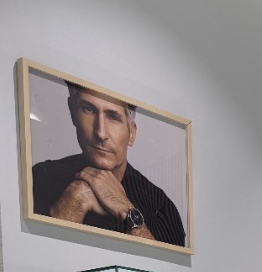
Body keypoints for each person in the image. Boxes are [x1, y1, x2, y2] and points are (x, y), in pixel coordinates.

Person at [32, 83, 186, 247]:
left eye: (113, 117)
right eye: (88, 110)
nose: (101, 133)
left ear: (131, 133)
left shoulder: (161, 206)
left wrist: (125, 208)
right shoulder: (41, 176)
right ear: (72, 112)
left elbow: (166, 263)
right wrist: (74, 201)